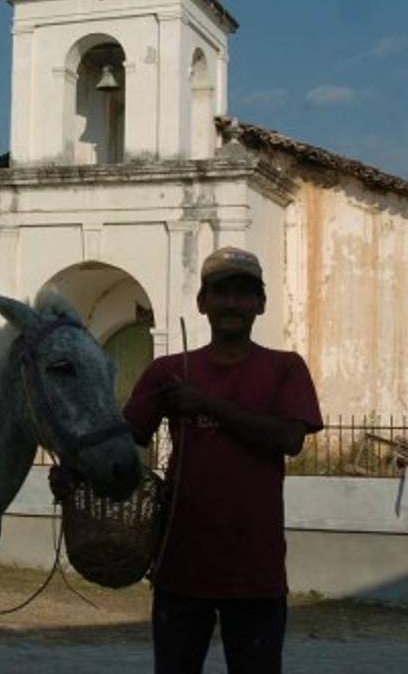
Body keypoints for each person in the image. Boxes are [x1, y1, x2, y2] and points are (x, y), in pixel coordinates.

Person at [122, 246, 322, 674]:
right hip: (179, 566)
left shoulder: (285, 368)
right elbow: (125, 442)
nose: (232, 302)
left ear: (261, 304)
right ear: (202, 302)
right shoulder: (167, 371)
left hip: (256, 571)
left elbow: (290, 439)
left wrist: (205, 404)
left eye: (244, 293)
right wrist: (77, 471)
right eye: (221, 292)